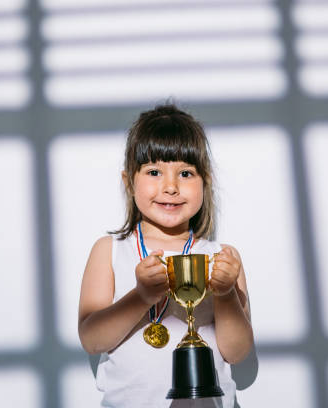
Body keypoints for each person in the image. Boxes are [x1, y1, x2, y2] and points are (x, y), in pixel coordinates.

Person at [78, 104, 254, 408]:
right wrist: (141, 296)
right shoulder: (109, 250)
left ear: (205, 182)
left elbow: (237, 352)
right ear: (128, 182)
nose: (170, 187)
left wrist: (226, 294)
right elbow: (92, 340)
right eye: (154, 172)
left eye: (185, 173)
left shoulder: (222, 257)